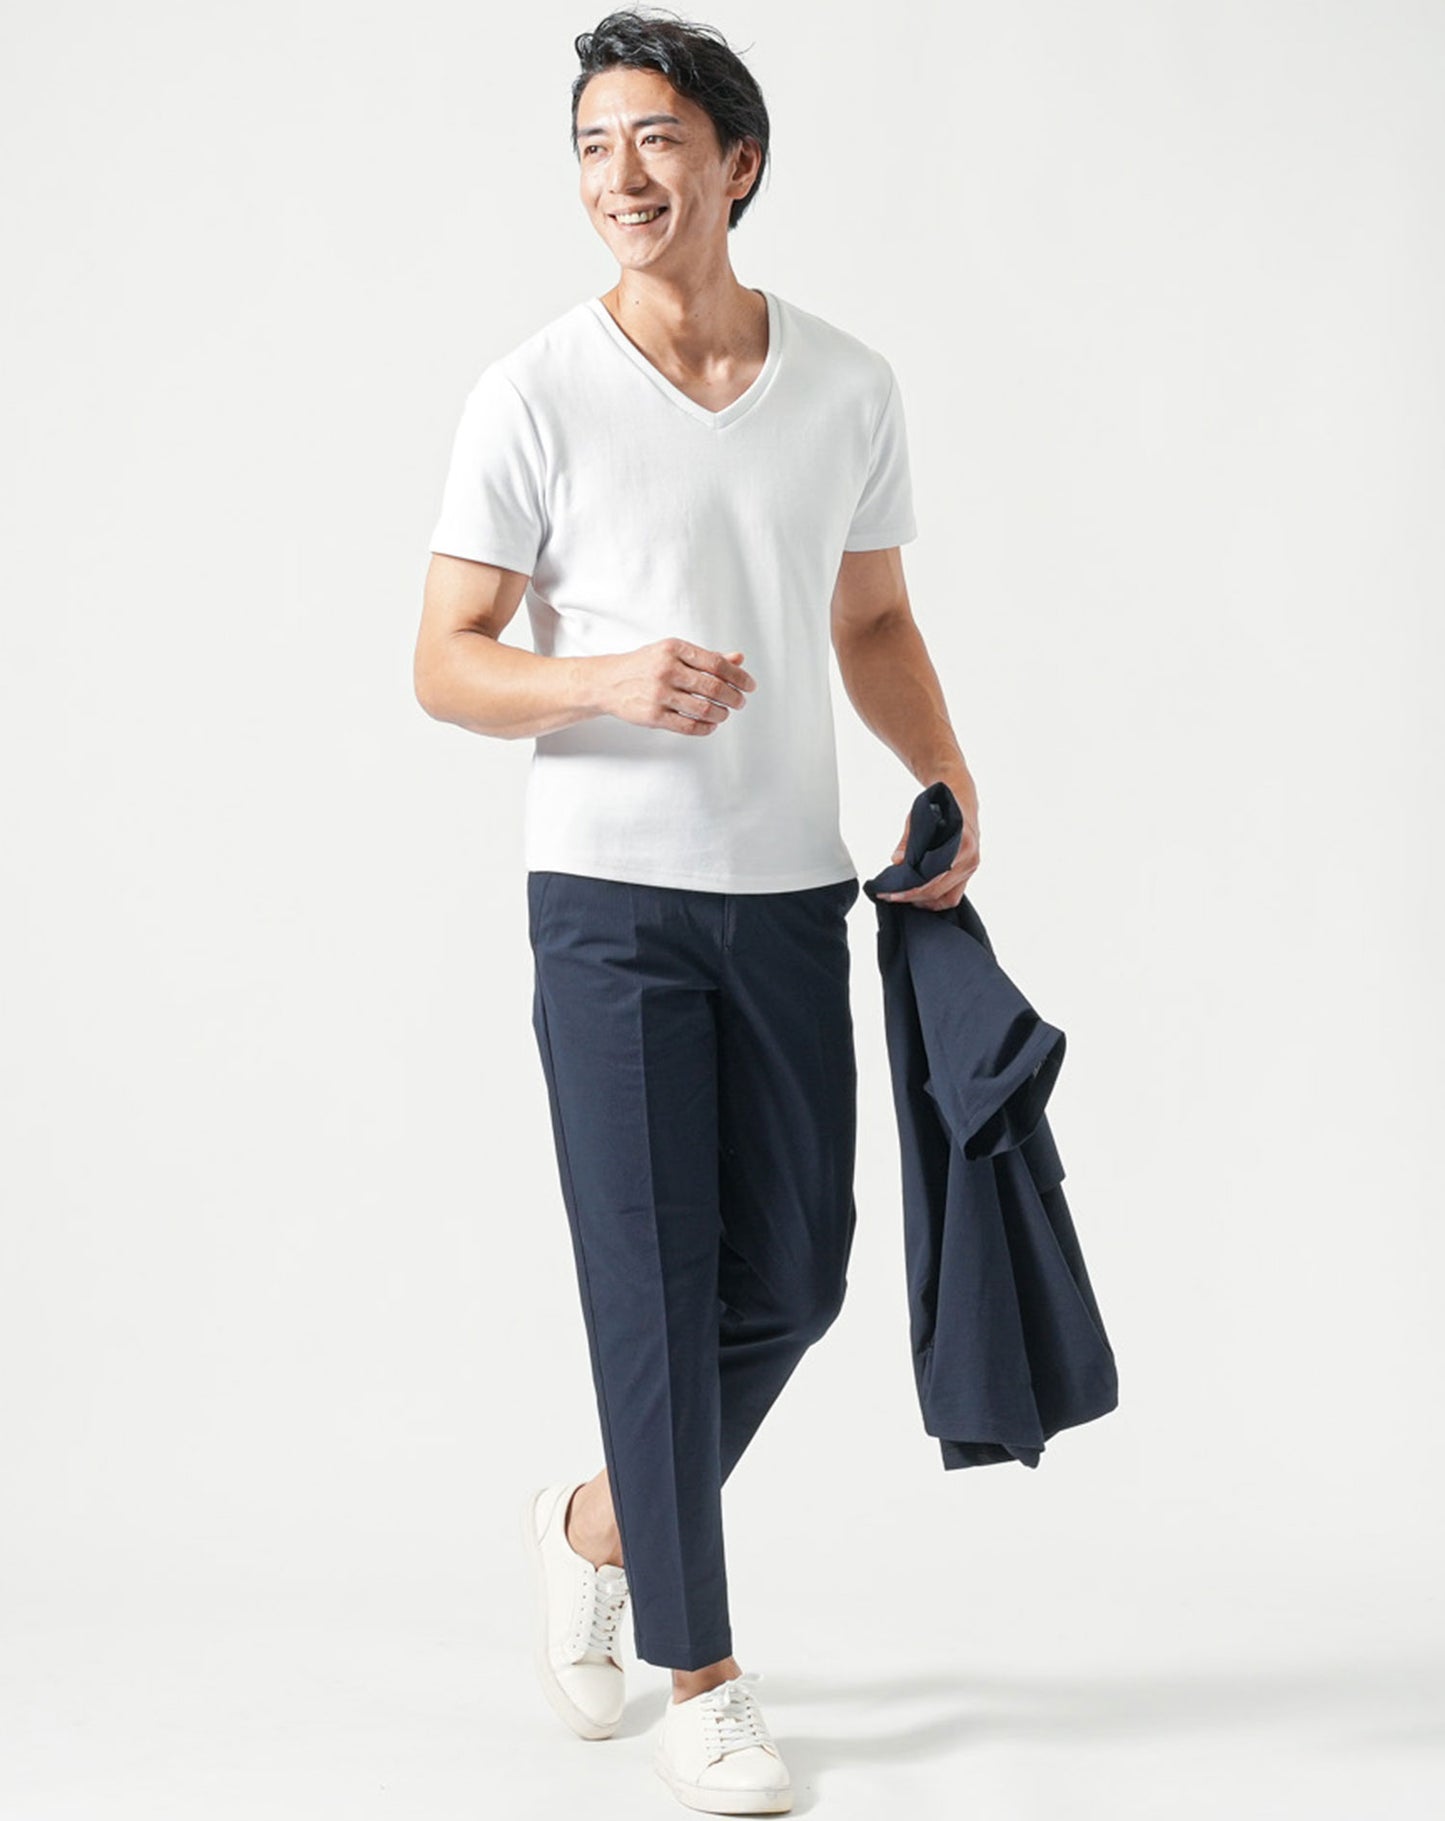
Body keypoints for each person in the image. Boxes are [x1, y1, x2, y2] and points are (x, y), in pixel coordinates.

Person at [414, 9, 980, 1812]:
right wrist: (604, 676)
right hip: (607, 903)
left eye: (654, 138)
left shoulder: (846, 385)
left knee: (797, 1275)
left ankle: (592, 1522)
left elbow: (870, 620)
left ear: (736, 162)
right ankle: (704, 1679)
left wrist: (944, 774)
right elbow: (444, 659)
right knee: (652, 1294)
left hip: (787, 892)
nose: (620, 176)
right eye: (592, 146)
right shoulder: (531, 392)